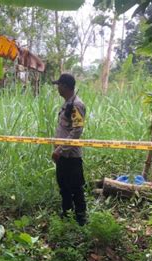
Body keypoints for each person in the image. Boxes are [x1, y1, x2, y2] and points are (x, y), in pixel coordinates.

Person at [51, 73, 87, 226]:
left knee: (75, 188)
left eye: (59, 85)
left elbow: (77, 130)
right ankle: (67, 215)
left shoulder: (76, 105)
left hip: (71, 156)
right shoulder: (68, 103)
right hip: (63, 156)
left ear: (65, 86)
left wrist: (60, 149)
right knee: (63, 186)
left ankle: (80, 218)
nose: (57, 88)